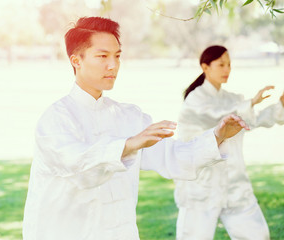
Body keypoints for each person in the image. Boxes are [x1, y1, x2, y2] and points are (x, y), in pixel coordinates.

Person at [22, 18, 249, 240]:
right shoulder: (56, 119)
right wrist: (130, 144)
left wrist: (217, 136)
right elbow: (79, 166)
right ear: (76, 60)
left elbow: (172, 157)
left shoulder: (129, 117)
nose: (113, 65)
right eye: (103, 56)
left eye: (117, 56)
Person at [175, 45, 284, 240]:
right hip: (202, 186)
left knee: (258, 235)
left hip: (234, 184)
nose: (227, 69)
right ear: (205, 67)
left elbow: (254, 120)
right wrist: (249, 103)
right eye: (221, 65)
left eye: (229, 65)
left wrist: (280, 107)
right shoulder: (195, 100)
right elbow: (216, 118)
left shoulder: (233, 99)